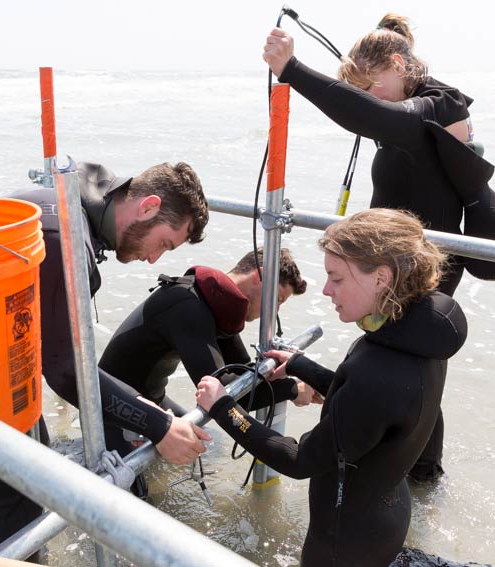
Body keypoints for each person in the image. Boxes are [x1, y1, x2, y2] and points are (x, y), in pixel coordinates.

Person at [262, 14, 495, 481]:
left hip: (421, 269)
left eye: (373, 87)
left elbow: (374, 115)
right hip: (397, 262)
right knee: (405, 366)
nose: (369, 101)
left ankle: (406, 472)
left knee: (398, 364)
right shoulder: (411, 107)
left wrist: (292, 69)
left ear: (399, 65)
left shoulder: (436, 106)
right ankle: (415, 473)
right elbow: (373, 114)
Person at [0, 161, 213, 553]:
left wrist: (138, 407)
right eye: (164, 244)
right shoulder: (66, 241)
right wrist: (158, 425)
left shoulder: (70, 203)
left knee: (32, 444)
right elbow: (66, 372)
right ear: (148, 206)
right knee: (22, 491)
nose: (155, 260)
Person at [196, 208, 468, 567]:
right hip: (383, 514)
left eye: (336, 278)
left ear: (381, 278)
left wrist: (224, 409)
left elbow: (298, 459)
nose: (326, 290)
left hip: (344, 547)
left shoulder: (378, 371)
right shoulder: (420, 334)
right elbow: (367, 407)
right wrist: (299, 365)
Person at [98, 246, 315, 498]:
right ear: (261, 276)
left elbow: (241, 379)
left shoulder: (216, 303)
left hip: (152, 397)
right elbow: (230, 396)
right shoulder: (188, 306)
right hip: (114, 406)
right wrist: (293, 389)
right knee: (138, 503)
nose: (274, 311)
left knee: (206, 447)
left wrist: (298, 377)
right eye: (277, 300)